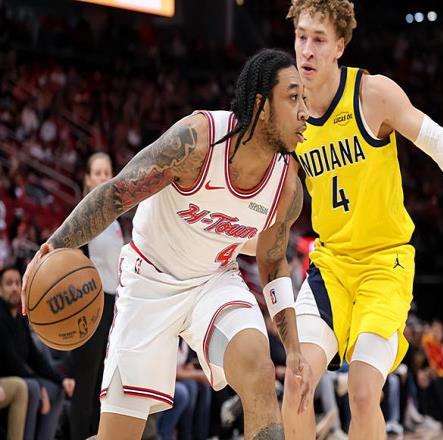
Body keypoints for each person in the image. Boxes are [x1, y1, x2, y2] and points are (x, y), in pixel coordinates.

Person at [21, 48, 312, 440]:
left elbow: (273, 261)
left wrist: (293, 346)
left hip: (213, 282)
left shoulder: (288, 185)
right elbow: (117, 194)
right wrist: (54, 246)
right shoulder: (198, 141)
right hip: (149, 282)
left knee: (259, 370)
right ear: (261, 105)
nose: (305, 111)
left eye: (305, 99)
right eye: (293, 98)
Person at [283, 1, 443, 439]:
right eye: (301, 37)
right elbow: (275, 194)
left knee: (361, 390)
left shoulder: (371, 93)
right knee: (297, 380)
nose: (307, 50)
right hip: (331, 266)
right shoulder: (288, 110)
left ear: (340, 45)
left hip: (383, 265)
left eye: (319, 40)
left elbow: (432, 138)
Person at [69, 152, 124, 440]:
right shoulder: (84, 213)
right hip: (91, 302)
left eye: (107, 172)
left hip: (113, 303)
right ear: (88, 179)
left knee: (102, 382)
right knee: (86, 380)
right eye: (98, 173)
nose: (103, 177)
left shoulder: (114, 218)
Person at [0, 266, 75, 440]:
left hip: (21, 378)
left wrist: (61, 380)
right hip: (8, 379)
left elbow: (36, 358)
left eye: (17, 283)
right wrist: (40, 386)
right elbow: (12, 362)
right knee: (33, 388)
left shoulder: (19, 319)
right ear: (0, 289)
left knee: (57, 389)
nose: (14, 288)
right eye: (9, 284)